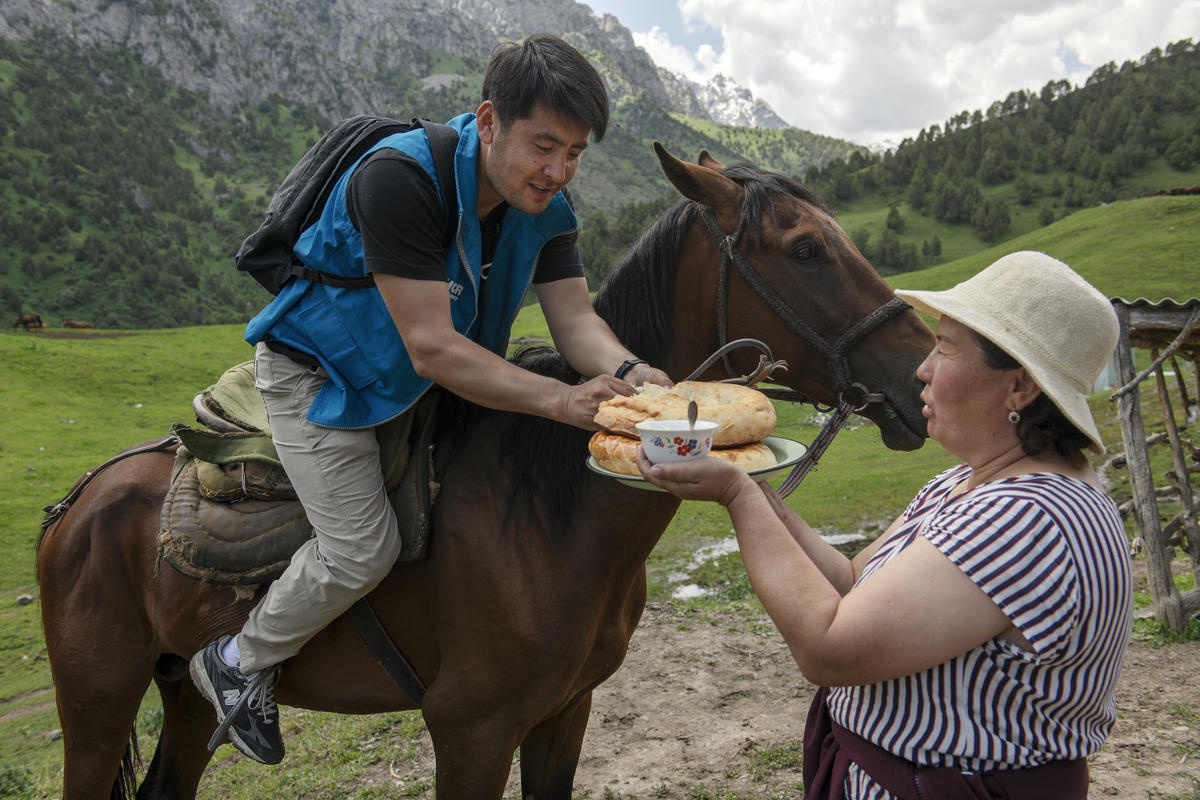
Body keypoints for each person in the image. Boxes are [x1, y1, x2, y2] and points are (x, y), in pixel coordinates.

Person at [189, 33, 670, 765]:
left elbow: (576, 322)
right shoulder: (401, 179)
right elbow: (433, 347)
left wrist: (634, 371)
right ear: (490, 121)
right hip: (323, 379)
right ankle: (237, 660)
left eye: (574, 153)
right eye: (544, 146)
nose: (558, 170)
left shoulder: (546, 203)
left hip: (422, 384)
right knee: (361, 549)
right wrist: (564, 402)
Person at [637, 251, 1131, 799]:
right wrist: (755, 486)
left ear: (1020, 387)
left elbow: (830, 648)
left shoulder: (1026, 518)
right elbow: (851, 583)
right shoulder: (968, 484)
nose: (923, 368)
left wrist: (737, 496)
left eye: (945, 349)